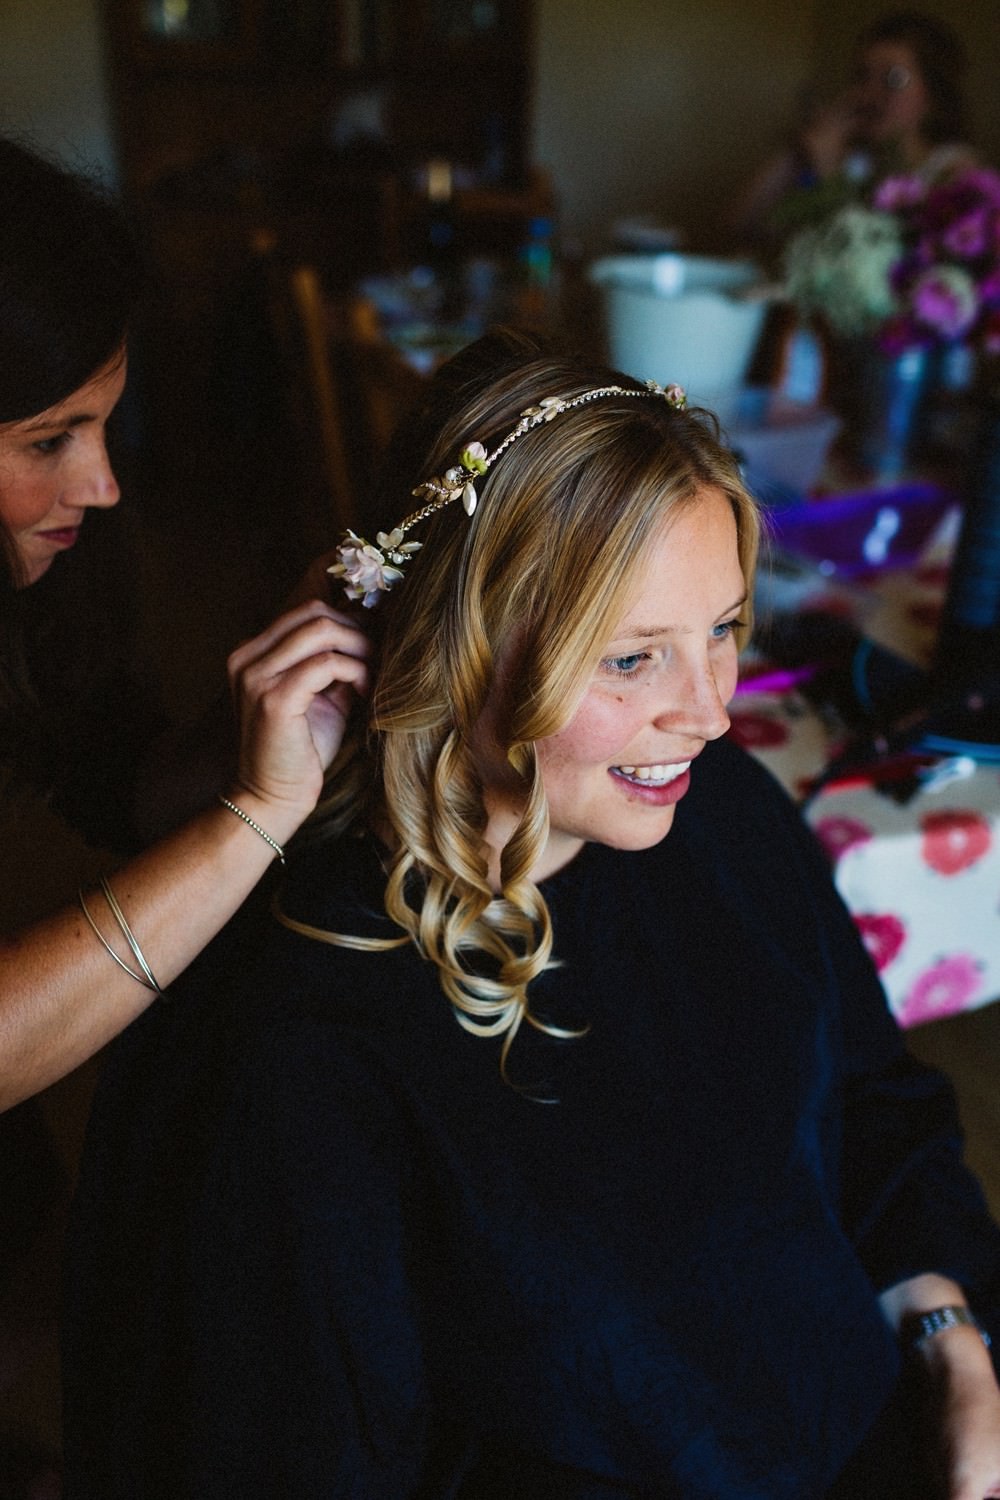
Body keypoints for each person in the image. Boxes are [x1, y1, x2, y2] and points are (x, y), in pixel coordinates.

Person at [62, 327, 1000, 1499]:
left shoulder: (729, 819)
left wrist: (947, 1340)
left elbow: (877, 1108)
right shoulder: (304, 1046)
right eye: (630, 661)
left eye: (721, 630)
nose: (709, 712)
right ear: (464, 651)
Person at [0, 135, 370, 1112]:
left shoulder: (43, 586)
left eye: (103, 426)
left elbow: (118, 788)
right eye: (48, 440)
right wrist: (257, 820)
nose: (103, 485)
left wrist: (270, 716)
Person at [730, 10, 979, 251]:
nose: (869, 93)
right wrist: (801, 150)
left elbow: (878, 262)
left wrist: (826, 171)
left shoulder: (953, 171)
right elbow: (741, 226)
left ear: (932, 94)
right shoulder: (856, 160)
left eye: (893, 79)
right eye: (862, 76)